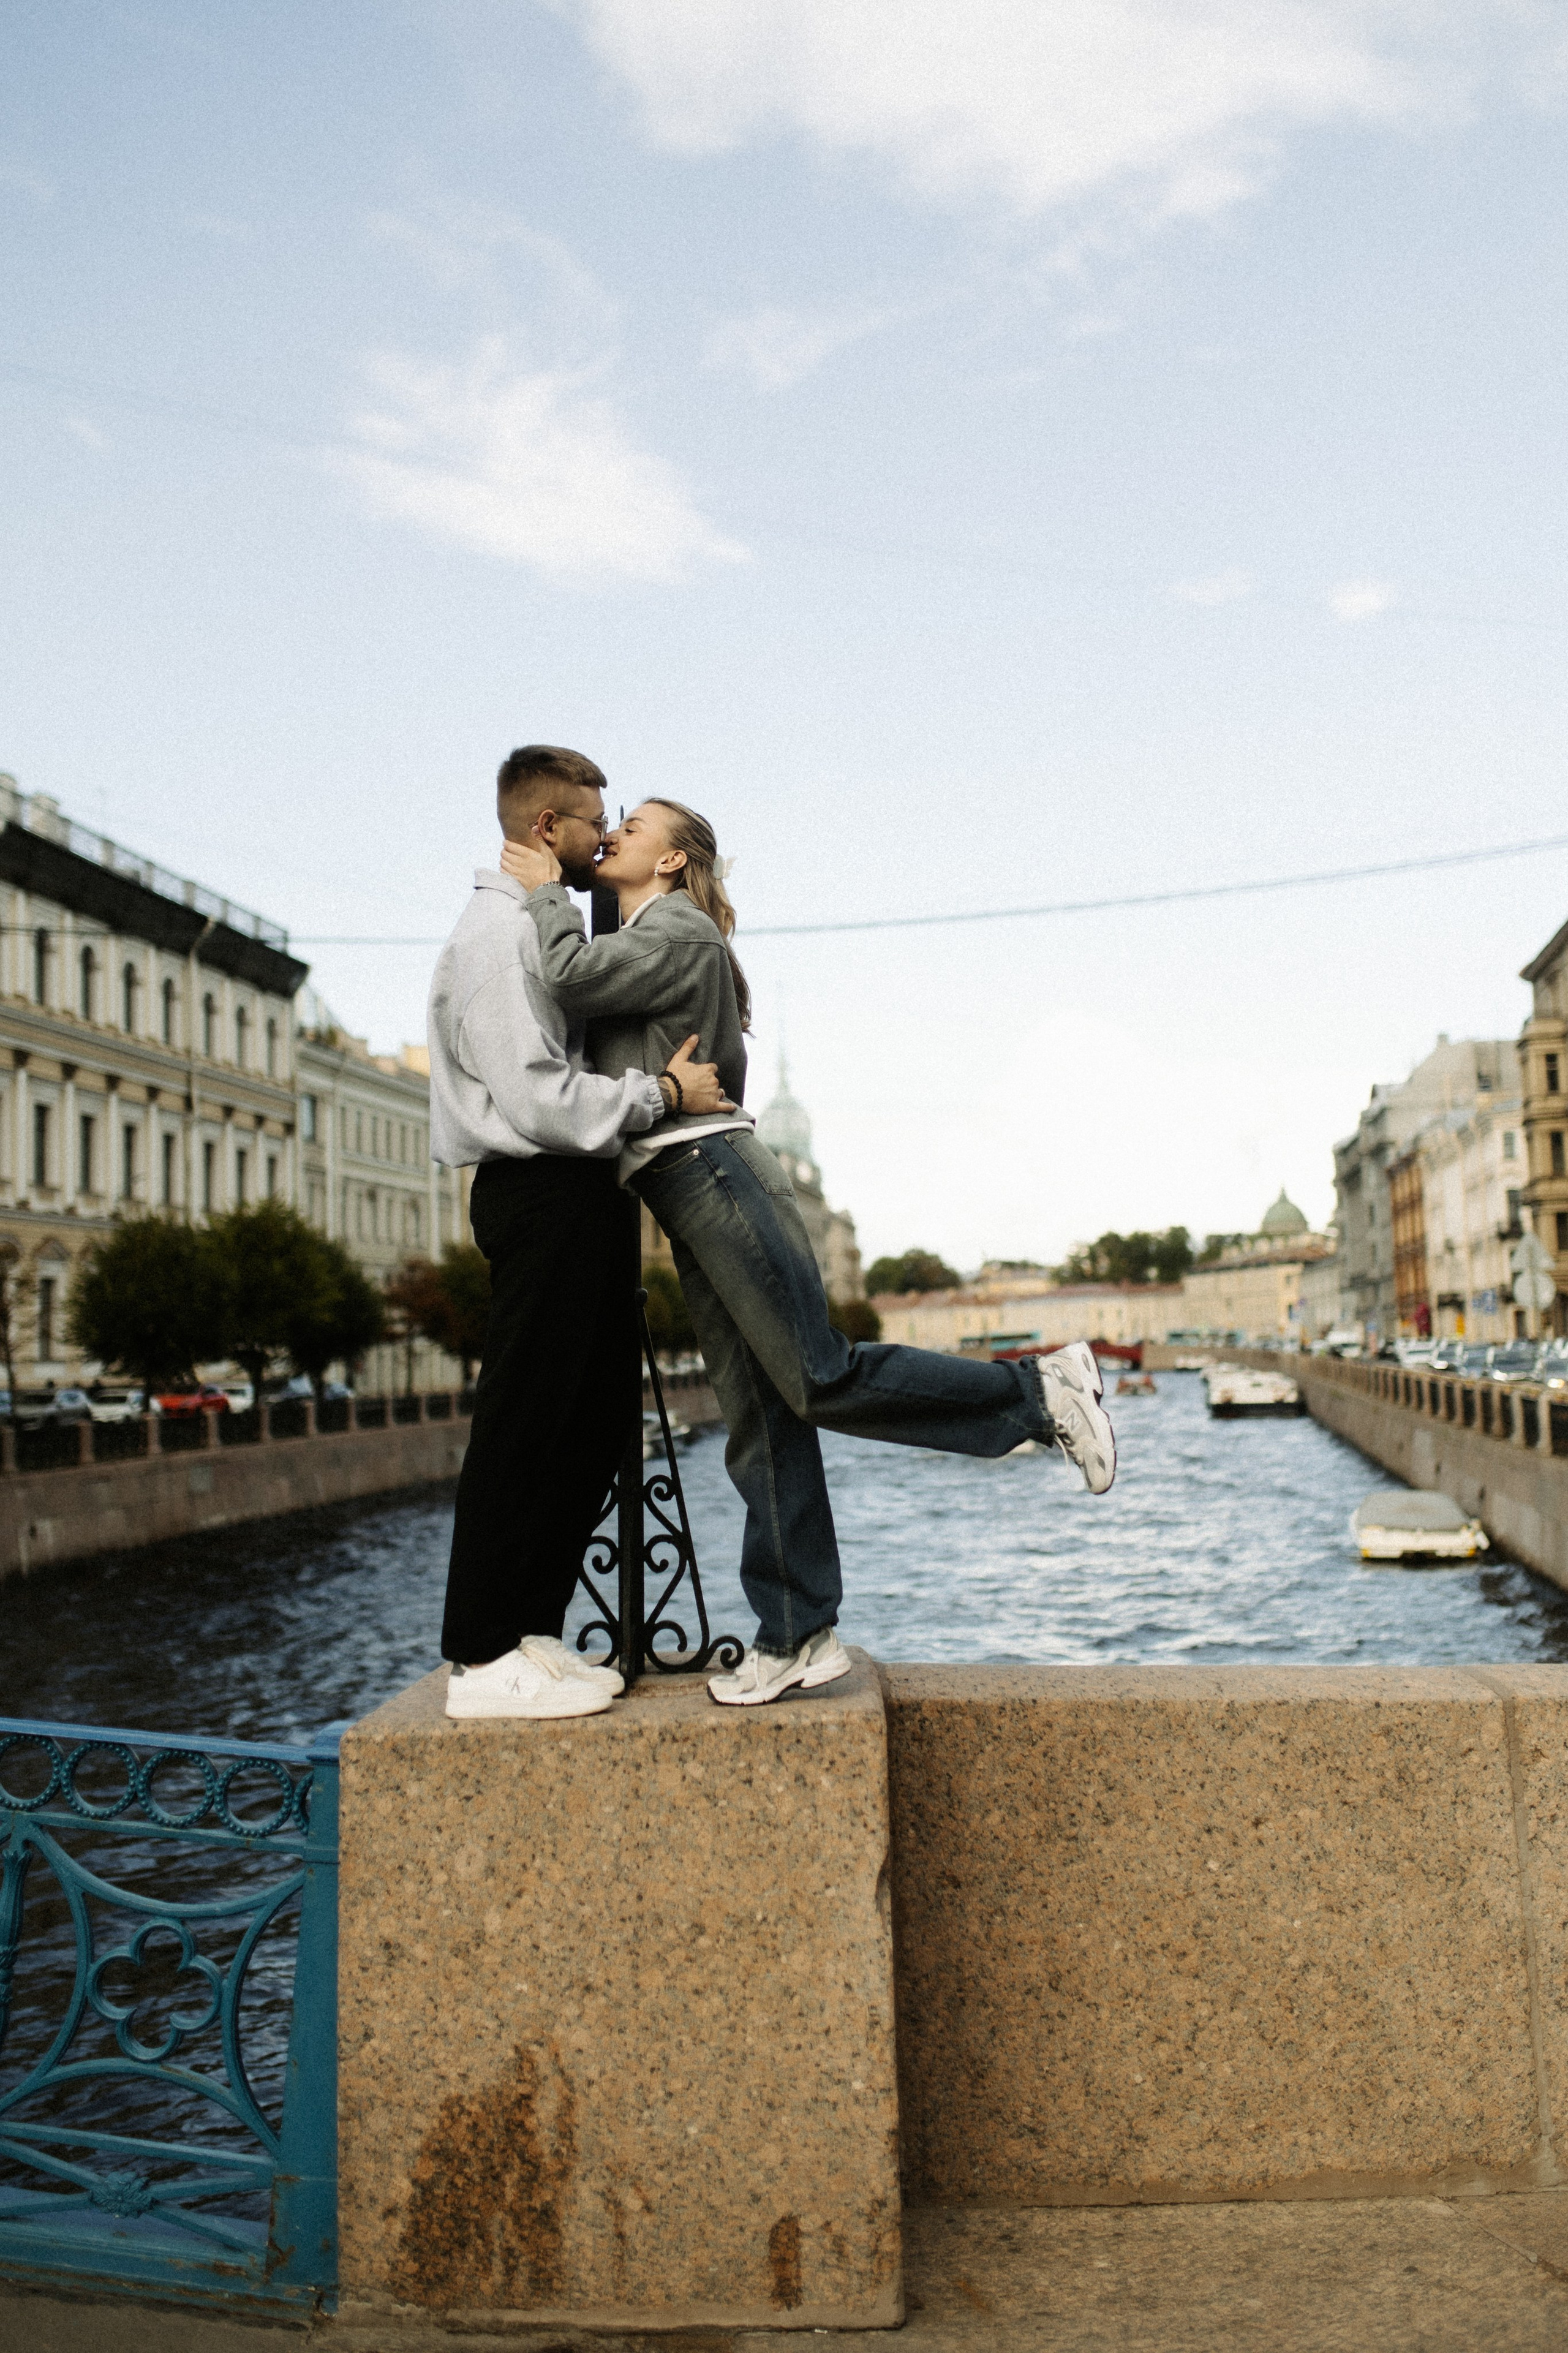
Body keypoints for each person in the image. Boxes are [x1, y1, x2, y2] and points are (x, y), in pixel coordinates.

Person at [500, 796, 1116, 1709]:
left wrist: (548, 889)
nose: (619, 830)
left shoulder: (680, 931)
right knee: (761, 1413)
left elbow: (568, 977)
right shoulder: (659, 933)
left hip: (711, 1174)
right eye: (613, 820)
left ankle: (1037, 1391)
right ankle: (797, 1634)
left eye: (637, 825)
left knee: (817, 1372)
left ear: (673, 863)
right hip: (683, 1186)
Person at [427, 746, 734, 1722]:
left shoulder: (537, 921)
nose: (605, 836)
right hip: (540, 1185)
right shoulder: (499, 936)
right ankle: (479, 1655)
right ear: (544, 830)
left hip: (575, 1191)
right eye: (592, 820)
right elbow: (539, 1096)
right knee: (526, 1417)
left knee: (592, 1420)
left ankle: (530, 1630)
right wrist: (662, 1092)